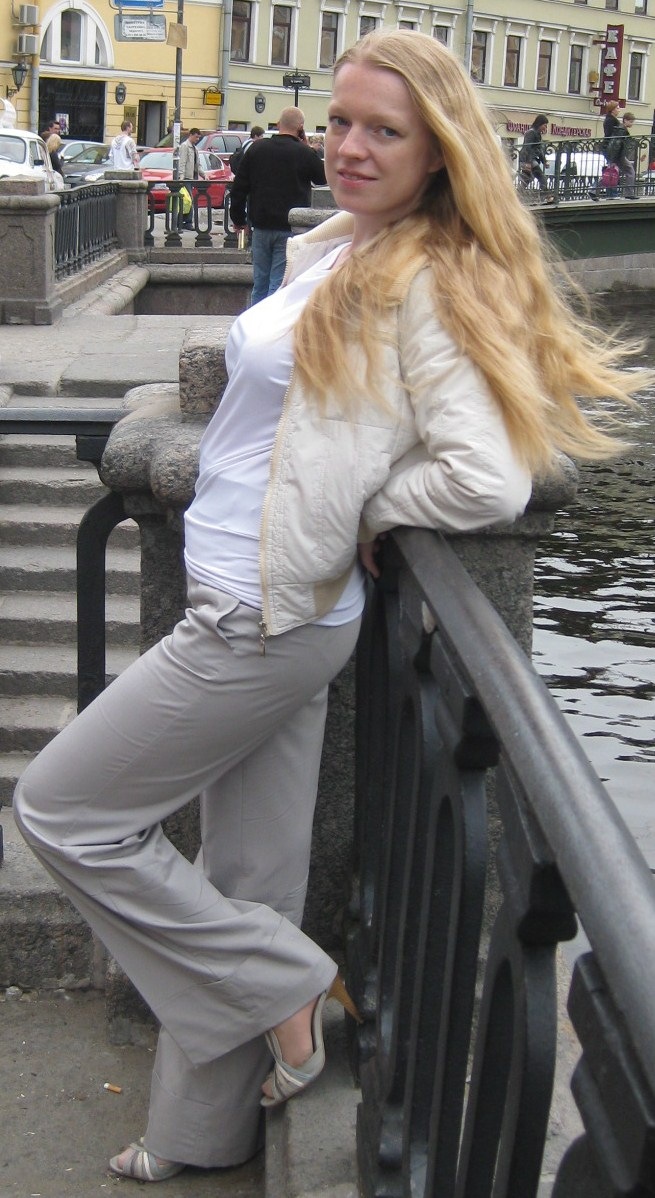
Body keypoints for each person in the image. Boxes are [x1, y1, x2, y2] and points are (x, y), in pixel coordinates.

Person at [14, 27, 644, 1186]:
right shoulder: (345, 245)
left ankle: (287, 980)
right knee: (248, 878)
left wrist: (370, 506)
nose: (349, 146)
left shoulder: (429, 279)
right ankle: (202, 1130)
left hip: (262, 617)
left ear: (438, 149)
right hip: (261, 596)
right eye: (342, 122)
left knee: (63, 811)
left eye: (383, 131)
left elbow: (484, 479)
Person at [229, 106, 326, 304]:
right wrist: (307, 147)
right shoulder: (303, 153)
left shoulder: (257, 149)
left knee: (260, 283)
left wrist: (239, 219)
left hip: (261, 225)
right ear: (301, 128)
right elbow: (322, 178)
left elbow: (239, 188)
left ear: (278, 124)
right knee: (278, 283)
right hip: (289, 227)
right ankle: (270, 320)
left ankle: (254, 319)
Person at [589, 100, 623, 200]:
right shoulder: (611, 120)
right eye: (617, 108)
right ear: (612, 110)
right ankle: (610, 193)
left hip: (610, 147)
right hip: (611, 148)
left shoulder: (610, 119)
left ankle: (595, 190)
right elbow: (610, 135)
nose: (619, 110)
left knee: (611, 170)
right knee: (612, 171)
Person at [518, 115, 554, 203]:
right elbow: (527, 148)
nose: (545, 128)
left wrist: (544, 161)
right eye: (544, 125)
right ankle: (548, 196)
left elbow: (539, 149)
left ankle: (515, 196)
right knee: (541, 176)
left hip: (530, 159)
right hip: (528, 159)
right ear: (539, 124)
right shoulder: (531, 133)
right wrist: (528, 163)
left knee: (527, 179)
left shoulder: (537, 134)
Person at [177, 128, 205, 230]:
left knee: (187, 201)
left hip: (192, 178)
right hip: (186, 178)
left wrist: (203, 175)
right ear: (191, 135)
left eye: (198, 137)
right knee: (188, 200)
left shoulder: (194, 148)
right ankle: (187, 222)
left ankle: (182, 221)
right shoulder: (185, 146)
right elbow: (182, 162)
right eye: (196, 137)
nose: (197, 139)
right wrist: (181, 176)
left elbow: (198, 164)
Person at [614, 111, 638, 199]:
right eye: (631, 122)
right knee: (630, 171)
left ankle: (593, 190)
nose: (632, 124)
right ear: (625, 120)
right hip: (619, 155)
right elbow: (618, 144)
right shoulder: (622, 130)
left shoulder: (621, 128)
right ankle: (629, 193)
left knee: (611, 172)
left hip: (618, 155)